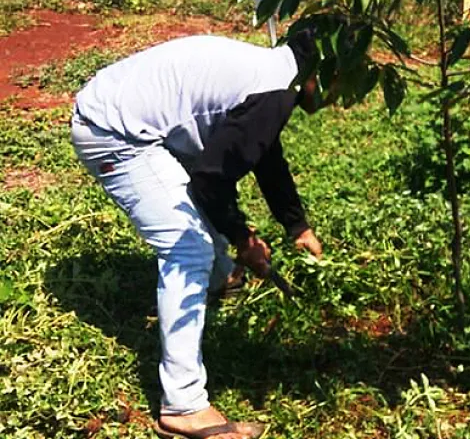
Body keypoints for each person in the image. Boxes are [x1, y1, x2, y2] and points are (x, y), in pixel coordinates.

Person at [70, 32, 326, 439]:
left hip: (137, 115)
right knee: (187, 249)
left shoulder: (272, 74)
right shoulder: (273, 93)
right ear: (321, 72)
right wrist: (243, 238)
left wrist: (297, 226)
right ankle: (184, 405)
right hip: (114, 133)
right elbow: (210, 182)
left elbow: (262, 152)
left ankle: (219, 276)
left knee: (207, 247)